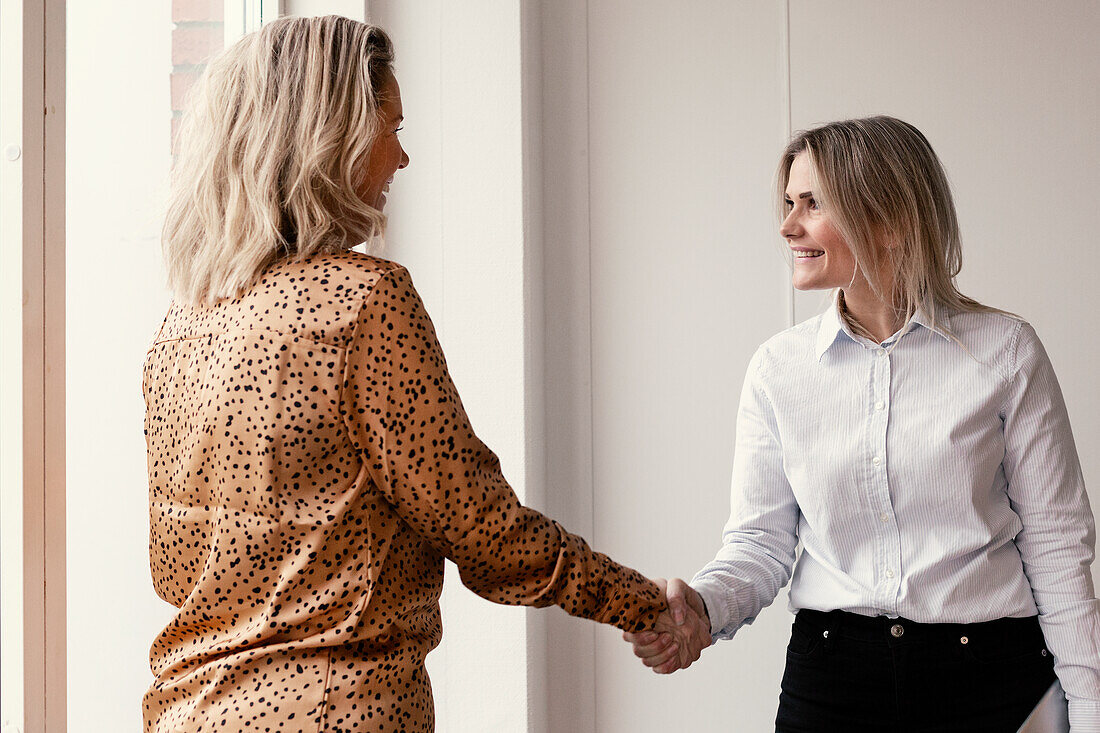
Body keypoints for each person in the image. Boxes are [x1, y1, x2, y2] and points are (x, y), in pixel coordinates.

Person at [143, 16, 706, 732]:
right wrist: (644, 603)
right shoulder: (363, 301)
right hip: (336, 712)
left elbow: (175, 564)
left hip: (190, 712)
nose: (402, 159)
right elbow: (484, 529)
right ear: (331, 138)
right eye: (392, 128)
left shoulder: (185, 323)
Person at [625, 116, 1100, 732]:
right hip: (832, 683)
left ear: (890, 221)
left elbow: (1058, 545)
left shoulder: (1006, 352)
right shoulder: (779, 369)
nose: (788, 225)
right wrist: (703, 608)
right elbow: (760, 544)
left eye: (813, 204)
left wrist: (1089, 711)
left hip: (990, 682)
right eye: (789, 202)